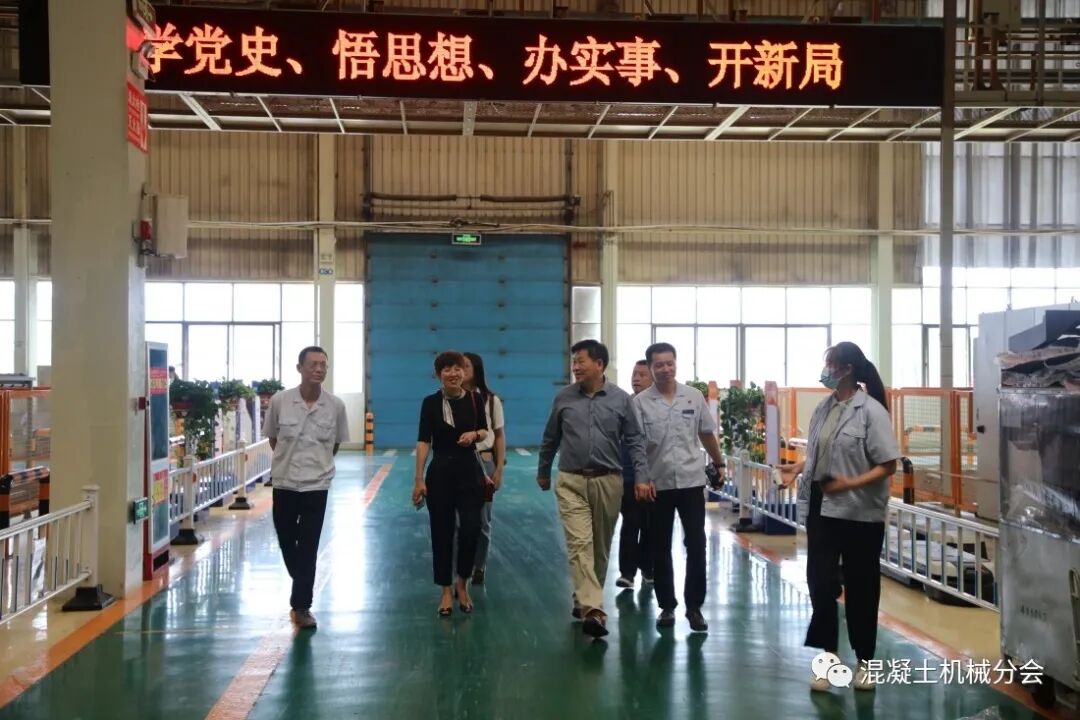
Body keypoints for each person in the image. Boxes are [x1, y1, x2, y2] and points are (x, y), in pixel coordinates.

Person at [777, 341, 899, 692]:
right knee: (820, 584)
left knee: (862, 587)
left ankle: (865, 662)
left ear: (846, 369)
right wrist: (798, 468)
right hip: (822, 508)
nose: (825, 371)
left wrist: (849, 484)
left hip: (859, 513)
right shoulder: (824, 408)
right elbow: (821, 452)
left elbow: (887, 465)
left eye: (830, 364)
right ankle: (828, 659)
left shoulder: (871, 411)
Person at [537, 339, 648, 638]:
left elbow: (635, 440)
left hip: (608, 480)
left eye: (581, 361)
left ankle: (583, 599)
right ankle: (594, 609)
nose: (575, 367)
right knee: (579, 544)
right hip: (571, 480)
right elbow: (550, 437)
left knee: (599, 548)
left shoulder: (621, 399)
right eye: (574, 361)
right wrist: (543, 470)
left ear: (599, 364)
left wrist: (641, 477)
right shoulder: (563, 398)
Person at [632, 343, 723, 633]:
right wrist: (642, 478)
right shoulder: (640, 403)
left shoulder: (693, 397)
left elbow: (706, 433)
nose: (665, 369)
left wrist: (719, 463)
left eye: (669, 363)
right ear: (651, 368)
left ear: (676, 364)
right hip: (657, 484)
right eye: (659, 365)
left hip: (691, 481)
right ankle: (667, 606)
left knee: (696, 544)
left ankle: (694, 607)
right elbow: (636, 445)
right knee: (660, 547)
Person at [263, 346, 349, 629]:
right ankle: (301, 578)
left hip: (317, 485)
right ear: (299, 368)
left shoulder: (335, 406)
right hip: (284, 482)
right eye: (313, 364)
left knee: (309, 544)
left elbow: (335, 444)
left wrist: (318, 466)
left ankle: (301, 606)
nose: (319, 369)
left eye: (323, 364)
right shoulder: (280, 401)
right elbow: (273, 439)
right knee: (287, 540)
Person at [412, 351, 490, 617]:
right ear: (438, 375)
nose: (453, 373)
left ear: (464, 372)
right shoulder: (430, 403)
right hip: (440, 475)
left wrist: (474, 435)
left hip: (470, 473)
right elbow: (424, 441)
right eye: (447, 369)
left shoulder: (475, 399)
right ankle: (445, 590)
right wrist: (419, 479)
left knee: (471, 529)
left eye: (457, 368)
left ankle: (462, 583)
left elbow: (485, 430)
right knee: (441, 533)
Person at [462, 352, 505, 586]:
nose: (461, 370)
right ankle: (461, 569)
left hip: (484, 462)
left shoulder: (491, 400)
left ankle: (479, 565)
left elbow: (499, 435)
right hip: (458, 463)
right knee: (457, 521)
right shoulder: (449, 399)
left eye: (466, 366)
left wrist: (498, 469)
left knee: (482, 520)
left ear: (476, 370)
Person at [616, 360, 654, 590]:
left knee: (651, 525)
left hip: (656, 478)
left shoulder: (658, 406)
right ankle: (627, 573)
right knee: (631, 523)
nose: (636, 378)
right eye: (634, 374)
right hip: (629, 476)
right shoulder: (623, 404)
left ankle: (648, 568)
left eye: (642, 374)